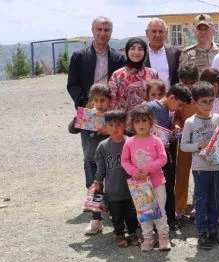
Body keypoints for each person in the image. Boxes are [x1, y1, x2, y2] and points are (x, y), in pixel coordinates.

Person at [67, 16, 125, 186]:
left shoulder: (119, 58)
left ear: (111, 33)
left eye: (106, 30)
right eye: (99, 29)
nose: (102, 33)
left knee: (112, 155)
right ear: (92, 31)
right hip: (89, 113)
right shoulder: (78, 57)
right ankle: (93, 194)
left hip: (111, 114)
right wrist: (86, 102)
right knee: (89, 156)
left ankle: (110, 194)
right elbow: (72, 84)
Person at [179, 81, 219, 250]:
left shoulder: (218, 118)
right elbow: (184, 146)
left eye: (211, 101)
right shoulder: (190, 122)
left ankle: (213, 231)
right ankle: (202, 233)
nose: (208, 105)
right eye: (203, 102)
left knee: (215, 200)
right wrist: (199, 145)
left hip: (217, 166)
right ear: (195, 102)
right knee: (201, 201)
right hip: (200, 168)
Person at [121, 105, 170, 252]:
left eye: (144, 120)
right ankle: (148, 237)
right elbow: (124, 160)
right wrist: (134, 172)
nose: (141, 124)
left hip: (157, 183)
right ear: (132, 124)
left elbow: (163, 158)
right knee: (143, 213)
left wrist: (147, 170)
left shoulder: (156, 140)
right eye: (137, 121)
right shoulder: (129, 142)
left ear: (151, 122)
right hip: (139, 185)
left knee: (159, 211)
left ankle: (163, 237)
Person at [146, 83, 192, 233]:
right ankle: (151, 223)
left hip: (165, 157)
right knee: (151, 190)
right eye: (179, 104)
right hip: (150, 158)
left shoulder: (169, 111)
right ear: (172, 97)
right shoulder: (150, 108)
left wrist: (173, 132)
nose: (179, 108)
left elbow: (165, 132)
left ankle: (169, 219)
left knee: (167, 187)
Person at [92, 109, 141, 248]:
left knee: (131, 213)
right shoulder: (103, 146)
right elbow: (101, 167)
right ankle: (119, 234)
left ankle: (132, 232)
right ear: (105, 126)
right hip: (113, 188)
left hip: (131, 188)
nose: (115, 128)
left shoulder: (131, 142)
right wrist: (98, 181)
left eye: (119, 124)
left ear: (125, 125)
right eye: (111, 125)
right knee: (116, 215)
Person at [75, 83, 113, 235]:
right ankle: (96, 220)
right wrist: (80, 116)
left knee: (113, 188)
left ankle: (117, 217)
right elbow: (72, 129)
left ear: (110, 100)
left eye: (103, 100)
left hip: (110, 158)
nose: (99, 104)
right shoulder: (89, 115)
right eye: (96, 100)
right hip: (92, 157)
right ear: (91, 101)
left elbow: (126, 132)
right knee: (95, 188)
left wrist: (109, 131)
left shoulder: (114, 116)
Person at [108, 38, 160, 117]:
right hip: (122, 120)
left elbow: (157, 99)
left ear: (145, 52)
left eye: (140, 49)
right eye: (132, 48)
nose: (136, 52)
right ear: (127, 51)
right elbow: (111, 102)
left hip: (146, 120)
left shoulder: (153, 74)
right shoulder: (117, 75)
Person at [173, 64, 199, 219]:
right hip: (183, 140)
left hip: (200, 141)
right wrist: (176, 125)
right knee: (182, 174)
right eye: (185, 82)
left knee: (198, 173)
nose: (189, 86)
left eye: (192, 82)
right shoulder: (178, 96)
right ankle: (179, 205)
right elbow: (175, 116)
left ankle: (197, 204)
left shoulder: (200, 96)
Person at [144, 18, 181, 88]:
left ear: (166, 33)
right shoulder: (141, 54)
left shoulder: (175, 53)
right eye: (154, 31)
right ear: (147, 33)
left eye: (160, 31)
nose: (157, 35)